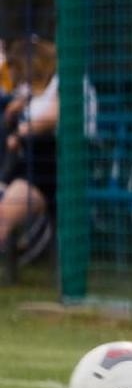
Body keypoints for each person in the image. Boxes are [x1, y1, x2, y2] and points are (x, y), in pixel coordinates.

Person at [0, 36, 96, 260]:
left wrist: (23, 130)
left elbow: (52, 117)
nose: (21, 77)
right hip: (29, 164)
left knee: (4, 213)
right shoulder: (31, 91)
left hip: (60, 165)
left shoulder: (67, 83)